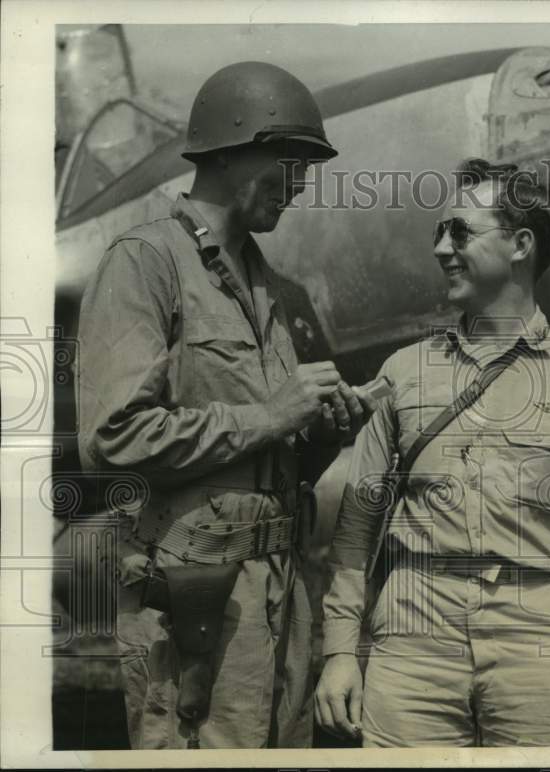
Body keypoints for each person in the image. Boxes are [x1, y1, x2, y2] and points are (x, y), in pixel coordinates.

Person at [314, 158, 550, 747]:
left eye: (460, 231)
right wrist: (340, 651)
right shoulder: (404, 372)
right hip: (410, 634)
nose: (441, 250)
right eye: (437, 234)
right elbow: (357, 527)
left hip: (534, 631)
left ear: (521, 245)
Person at [77, 61, 374, 749]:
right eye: (290, 162)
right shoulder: (145, 264)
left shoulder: (280, 292)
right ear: (234, 147)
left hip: (283, 593)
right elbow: (113, 439)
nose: (299, 185)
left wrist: (324, 430)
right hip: (196, 601)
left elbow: (274, 454)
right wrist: (273, 412)